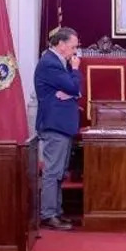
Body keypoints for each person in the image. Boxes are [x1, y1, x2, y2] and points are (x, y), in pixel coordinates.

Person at [35, 26, 82, 230]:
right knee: (52, 172)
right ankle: (48, 214)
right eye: (73, 47)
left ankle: (57, 212)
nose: (75, 52)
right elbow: (74, 87)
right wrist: (76, 71)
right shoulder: (50, 64)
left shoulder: (60, 63)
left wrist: (72, 92)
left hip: (62, 125)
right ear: (61, 44)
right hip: (55, 125)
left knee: (60, 172)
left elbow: (73, 91)